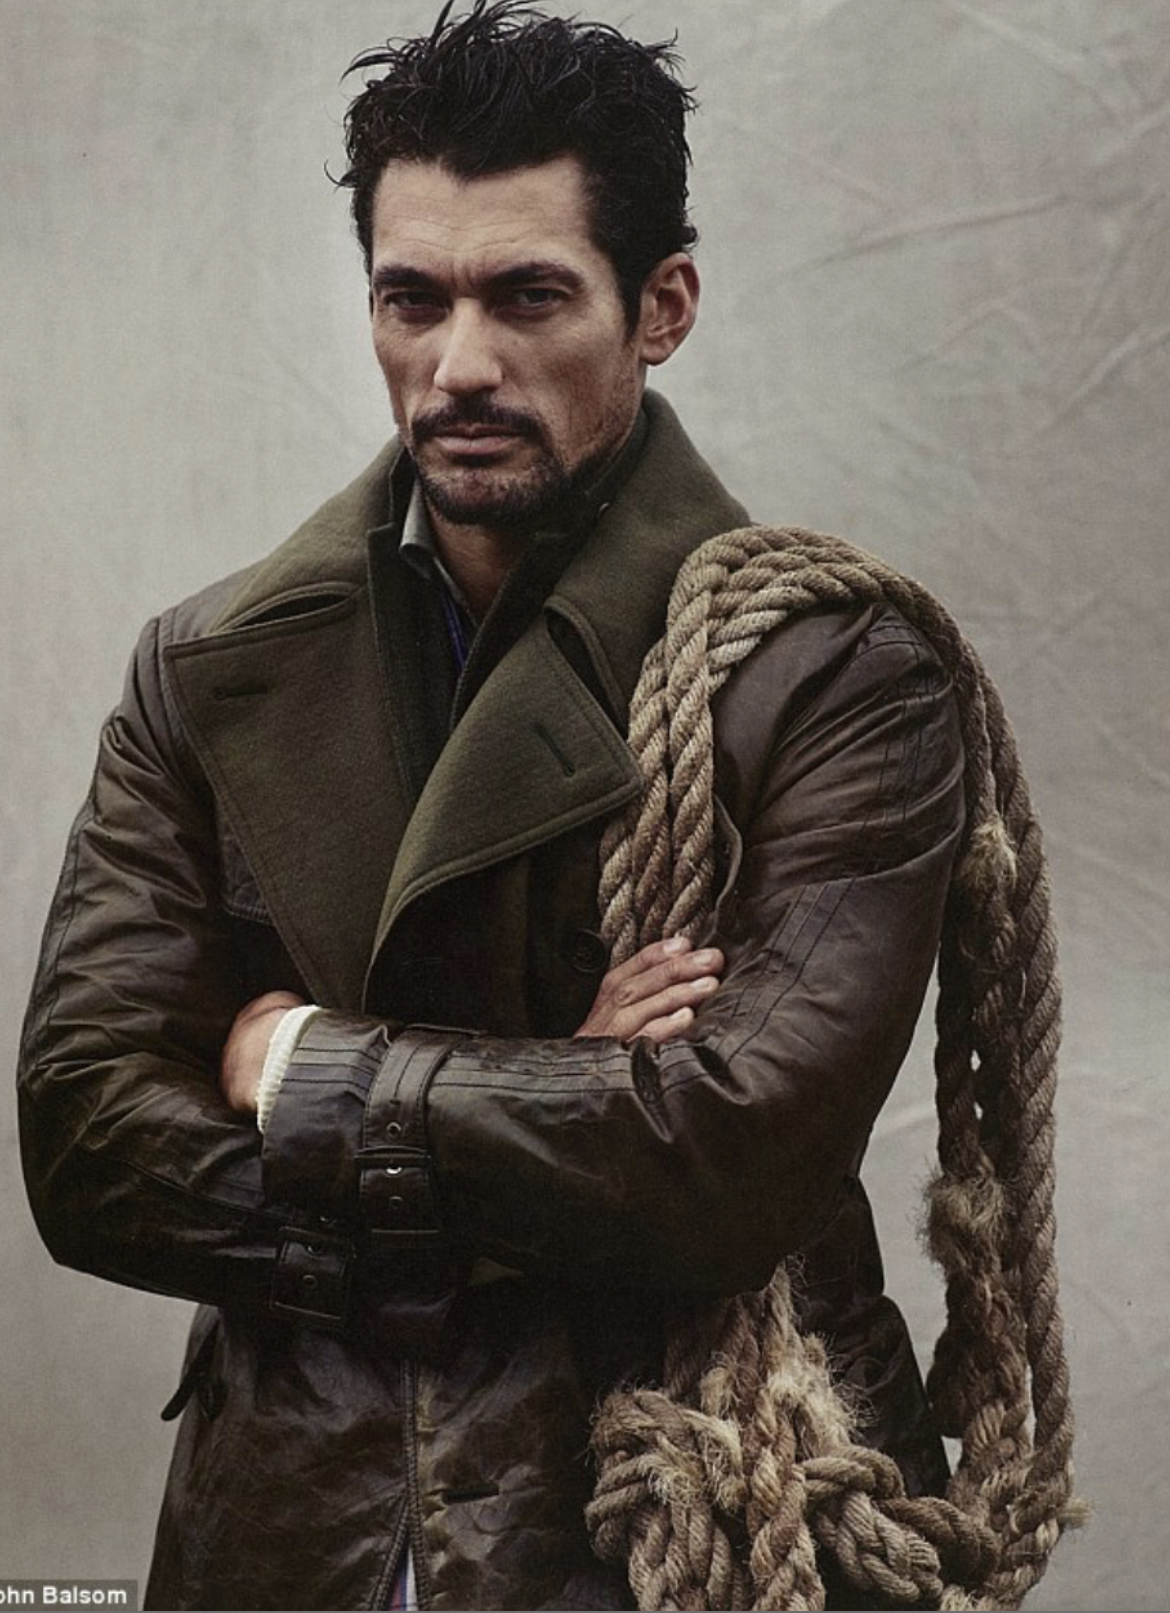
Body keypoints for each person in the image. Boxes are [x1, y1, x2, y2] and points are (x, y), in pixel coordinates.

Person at [18, 4, 974, 1608]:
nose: (459, 364)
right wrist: (545, 1107)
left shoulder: (835, 672)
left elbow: (722, 1161)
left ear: (660, 306)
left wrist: (296, 1064)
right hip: (293, 1528)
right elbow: (84, 1140)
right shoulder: (204, 665)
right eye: (413, 298)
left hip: (690, 1520)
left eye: (528, 295)